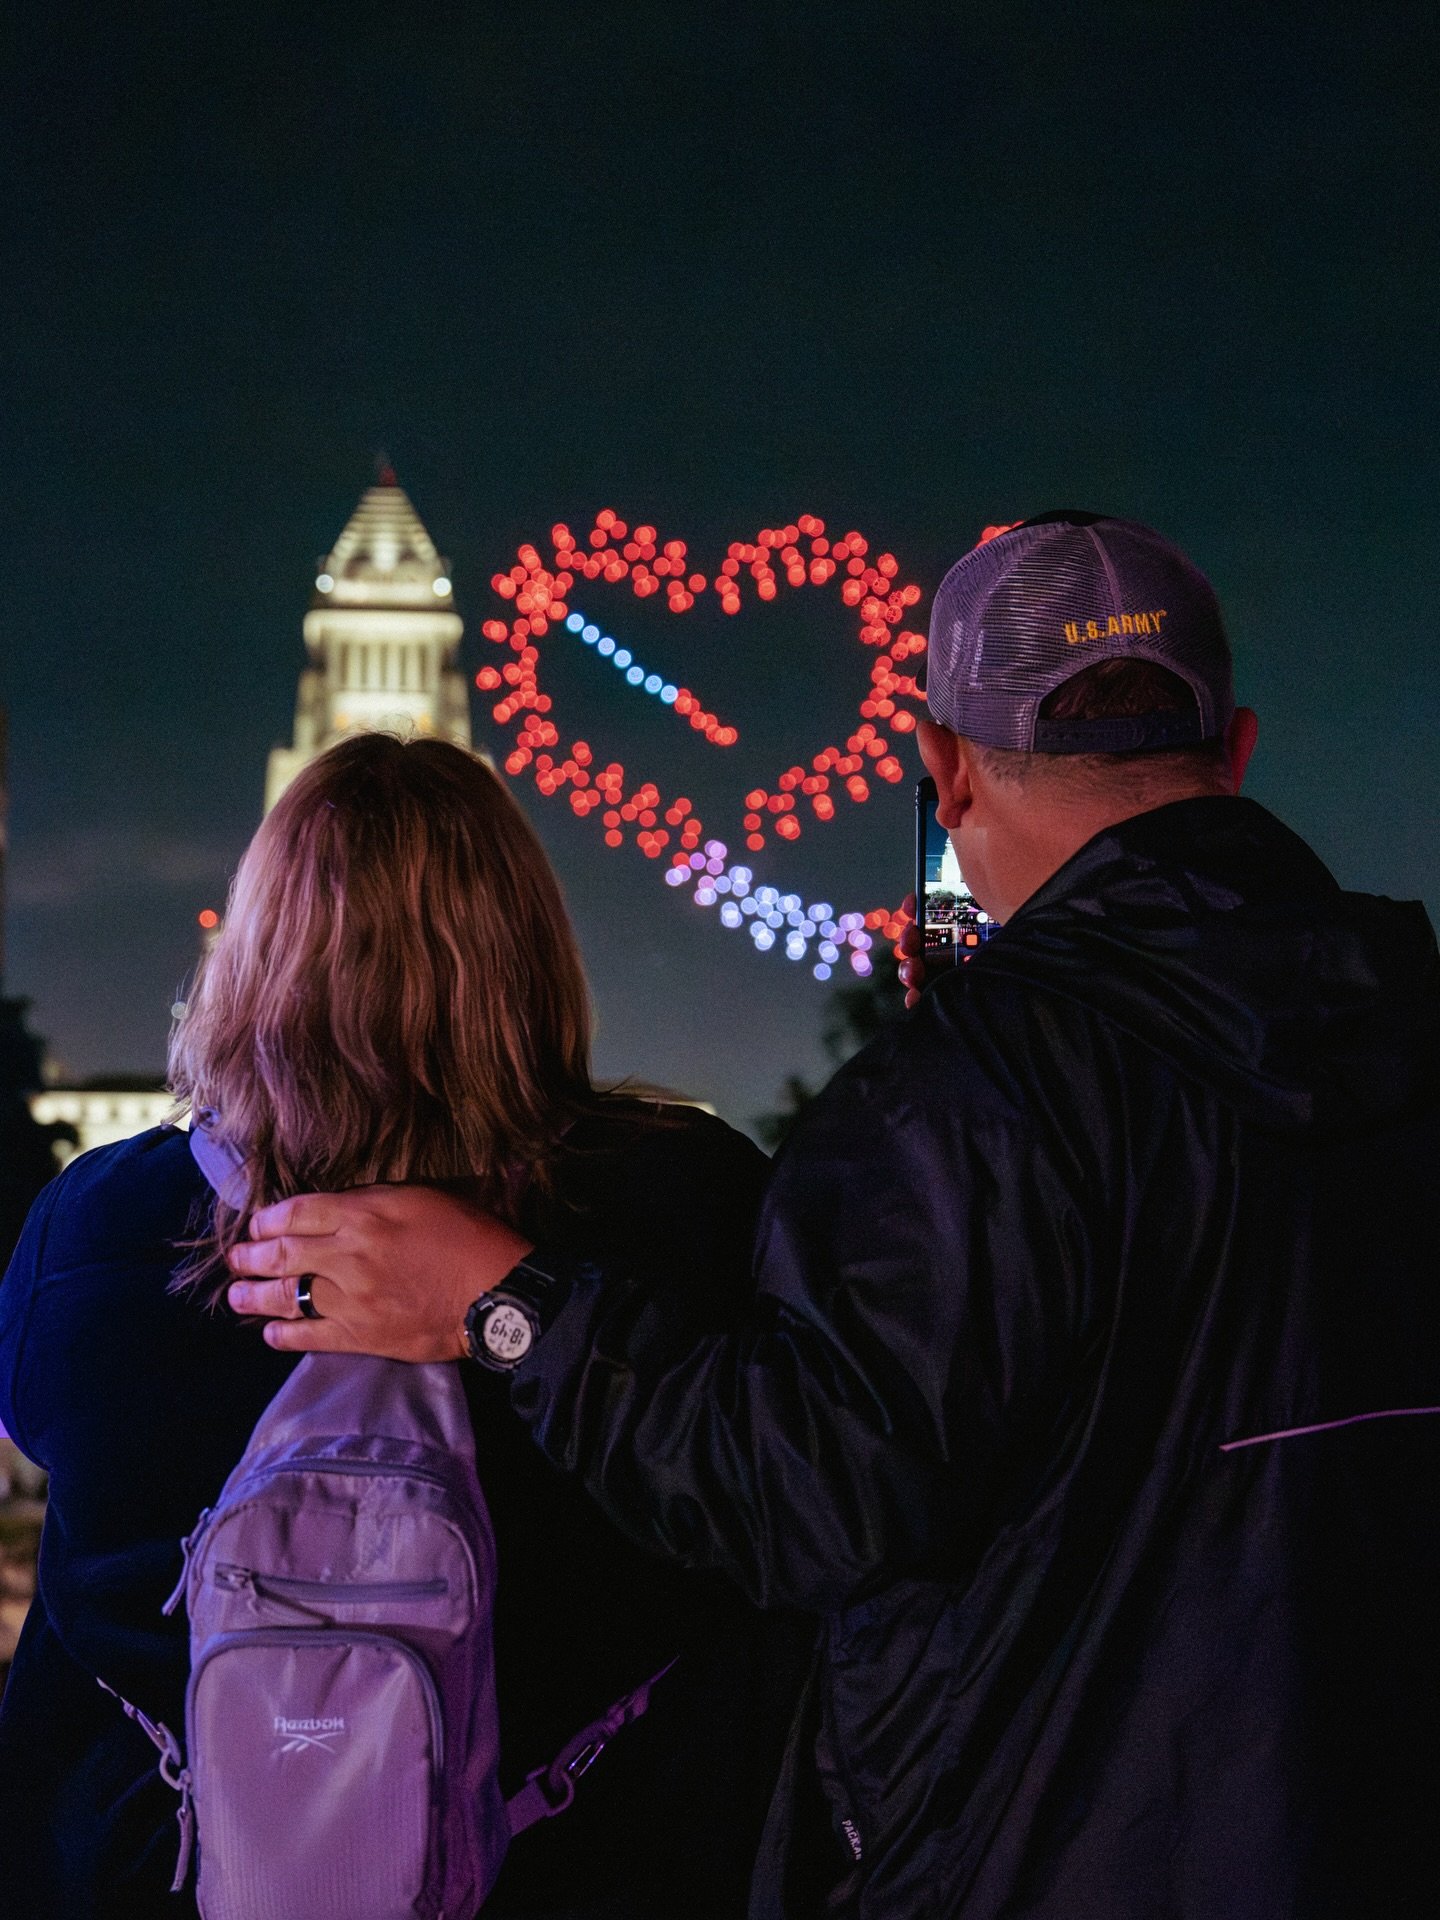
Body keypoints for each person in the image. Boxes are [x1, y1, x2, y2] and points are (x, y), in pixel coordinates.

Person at [230, 511, 1440, 1919]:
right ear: (1234, 751)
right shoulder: (1404, 1030)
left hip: (1048, 1851)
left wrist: (509, 1308)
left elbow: (814, 1496)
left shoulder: (961, 1102)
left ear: (941, 768)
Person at [0, 734, 800, 1920]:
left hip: (159, 1867)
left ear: (257, 949)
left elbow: (43, 1420)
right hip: (592, 1862)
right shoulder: (684, 1203)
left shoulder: (100, 1223)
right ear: (531, 949)